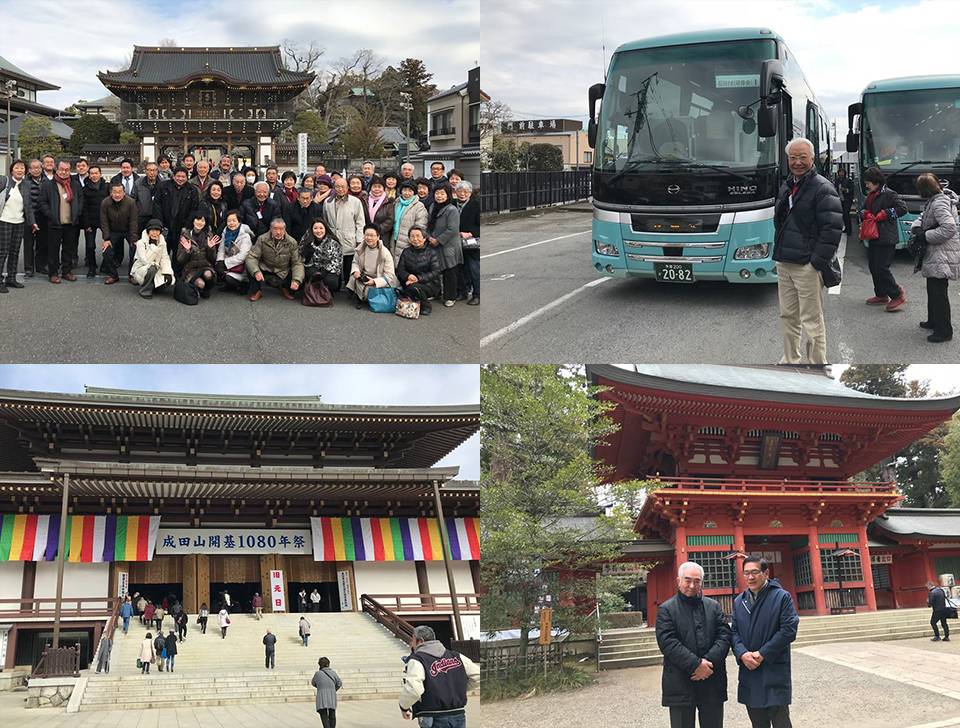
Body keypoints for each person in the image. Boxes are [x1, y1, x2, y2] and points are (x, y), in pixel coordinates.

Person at [772, 138, 842, 365]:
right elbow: (781, 221)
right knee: (787, 316)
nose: (797, 162)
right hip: (784, 262)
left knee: (811, 320)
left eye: (803, 157)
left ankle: (817, 364)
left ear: (812, 159)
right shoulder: (787, 185)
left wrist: (815, 263)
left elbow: (832, 230)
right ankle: (790, 360)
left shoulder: (822, 187)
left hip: (806, 266)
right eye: (793, 157)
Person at [656, 562, 731, 728]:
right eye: (687, 580)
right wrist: (695, 665)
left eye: (697, 581)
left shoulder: (713, 606)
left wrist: (707, 664)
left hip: (712, 678)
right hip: (680, 681)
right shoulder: (666, 609)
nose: (692, 585)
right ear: (678, 580)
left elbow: (725, 636)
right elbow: (667, 642)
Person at [731, 555, 799, 728]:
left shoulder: (781, 597)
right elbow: (734, 632)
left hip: (773, 667)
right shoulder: (739, 601)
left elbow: (788, 630)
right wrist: (742, 654)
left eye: (755, 572)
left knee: (780, 720)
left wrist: (762, 654)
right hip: (749, 668)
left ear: (766, 573)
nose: (750, 577)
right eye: (746, 573)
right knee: (757, 721)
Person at [399, 624, 480, 728]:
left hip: (433, 716)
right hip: (458, 714)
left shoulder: (417, 660)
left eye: (413, 639)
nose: (411, 643)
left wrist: (403, 706)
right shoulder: (456, 656)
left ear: (421, 641)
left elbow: (414, 689)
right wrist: (456, 690)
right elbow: (477, 675)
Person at [912, 173, 960, 343]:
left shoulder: (938, 202)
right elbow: (923, 217)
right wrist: (917, 227)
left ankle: (944, 330)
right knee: (934, 290)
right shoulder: (937, 199)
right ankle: (934, 320)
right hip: (939, 252)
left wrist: (925, 236)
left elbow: (949, 228)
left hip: (941, 253)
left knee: (938, 293)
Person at [859, 167, 908, 311]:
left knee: (882, 268)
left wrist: (885, 214)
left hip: (886, 237)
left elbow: (902, 209)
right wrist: (865, 214)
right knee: (873, 267)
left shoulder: (890, 194)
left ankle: (897, 295)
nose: (867, 185)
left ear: (877, 181)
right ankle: (881, 294)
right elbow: (861, 209)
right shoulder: (870, 195)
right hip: (873, 236)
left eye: (868, 182)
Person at [38, 158, 85, 283]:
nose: (64, 172)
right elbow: (42, 202)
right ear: (57, 170)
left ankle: (66, 271)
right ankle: (53, 273)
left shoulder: (74, 183)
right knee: (53, 249)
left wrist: (78, 211)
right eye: (61, 169)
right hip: (55, 223)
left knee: (69, 248)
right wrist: (51, 214)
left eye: (67, 170)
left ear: (70, 170)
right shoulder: (48, 184)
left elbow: (80, 199)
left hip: (71, 222)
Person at [246, 218, 305, 302]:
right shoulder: (262, 239)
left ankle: (285, 288)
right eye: (275, 229)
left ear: (285, 229)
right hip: (266, 266)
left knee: (297, 273)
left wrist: (297, 280)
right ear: (270, 229)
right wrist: (256, 271)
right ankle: (257, 291)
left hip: (283, 269)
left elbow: (297, 263)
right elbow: (252, 257)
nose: (278, 232)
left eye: (281, 229)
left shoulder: (292, 242)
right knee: (250, 266)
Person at [324, 177, 366, 288]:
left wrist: (359, 239)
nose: (340, 189)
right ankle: (335, 287)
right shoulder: (327, 202)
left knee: (349, 265)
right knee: (334, 264)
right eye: (337, 186)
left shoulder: (355, 202)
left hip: (349, 238)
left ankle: (350, 288)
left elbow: (360, 223)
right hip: (333, 239)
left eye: (343, 186)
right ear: (334, 187)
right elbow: (325, 222)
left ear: (347, 188)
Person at [0, 160, 35, 292]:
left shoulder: (26, 184)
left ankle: (11, 278)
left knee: (14, 252)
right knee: (2, 252)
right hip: (4, 221)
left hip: (19, 222)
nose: (20, 170)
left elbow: (29, 206)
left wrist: (32, 222)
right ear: (12, 170)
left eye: (22, 168)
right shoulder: (5, 181)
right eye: (17, 168)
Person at [347, 224, 399, 308]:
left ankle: (363, 296)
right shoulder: (360, 249)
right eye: (366, 235)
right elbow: (355, 262)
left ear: (378, 237)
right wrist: (356, 271)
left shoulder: (385, 253)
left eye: (372, 235)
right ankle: (362, 295)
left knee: (368, 292)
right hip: (365, 276)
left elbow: (390, 275)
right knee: (353, 278)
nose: (369, 238)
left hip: (378, 279)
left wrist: (375, 282)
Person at [427, 184, 462, 307]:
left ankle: (450, 297)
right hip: (434, 242)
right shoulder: (432, 206)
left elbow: (452, 229)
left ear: (447, 195)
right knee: (435, 269)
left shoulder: (451, 209)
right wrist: (429, 237)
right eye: (437, 193)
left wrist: (438, 240)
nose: (439, 196)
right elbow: (429, 224)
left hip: (448, 245)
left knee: (449, 271)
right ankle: (436, 292)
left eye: (442, 194)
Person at [157, 166, 200, 261]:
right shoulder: (163, 187)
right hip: (165, 224)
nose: (180, 179)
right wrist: (160, 222)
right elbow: (157, 205)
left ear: (186, 177)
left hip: (182, 225)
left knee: (179, 251)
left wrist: (187, 225)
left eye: (183, 176)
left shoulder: (192, 190)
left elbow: (194, 209)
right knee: (163, 251)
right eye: (178, 176)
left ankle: (177, 273)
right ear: (173, 176)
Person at [99, 181, 138, 284]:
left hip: (128, 230)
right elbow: (104, 221)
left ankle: (132, 275)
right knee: (107, 252)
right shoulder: (105, 203)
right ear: (111, 193)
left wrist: (134, 239)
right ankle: (113, 275)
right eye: (115, 192)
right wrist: (106, 239)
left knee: (135, 250)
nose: (117, 194)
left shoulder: (131, 202)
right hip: (113, 231)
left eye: (119, 192)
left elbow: (133, 221)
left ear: (124, 193)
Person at [397, 227, 441, 315]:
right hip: (409, 282)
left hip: (430, 284)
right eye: (412, 236)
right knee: (411, 286)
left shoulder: (431, 252)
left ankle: (426, 306)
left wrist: (418, 278)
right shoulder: (406, 252)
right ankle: (414, 300)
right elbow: (400, 269)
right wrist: (408, 276)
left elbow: (436, 271)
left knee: (414, 287)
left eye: (418, 236)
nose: (415, 239)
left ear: (424, 238)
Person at [177, 211, 219, 300]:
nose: (200, 222)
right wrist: (187, 250)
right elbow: (180, 260)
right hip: (190, 269)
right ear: (193, 221)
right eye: (198, 219)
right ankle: (199, 288)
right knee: (201, 284)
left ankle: (207, 289)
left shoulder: (209, 236)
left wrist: (210, 249)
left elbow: (213, 259)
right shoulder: (185, 236)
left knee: (208, 274)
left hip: (205, 267)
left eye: (203, 221)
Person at [78, 165, 109, 278]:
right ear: (89, 175)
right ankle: (92, 267)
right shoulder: (85, 189)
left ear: (100, 174)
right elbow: (84, 208)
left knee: (108, 244)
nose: (94, 175)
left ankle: (105, 265)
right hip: (90, 221)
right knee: (90, 246)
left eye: (96, 173)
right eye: (92, 174)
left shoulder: (106, 187)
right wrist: (86, 224)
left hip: (104, 221)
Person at [131, 219, 174, 299]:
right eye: (152, 230)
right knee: (152, 268)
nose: (155, 233)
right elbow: (145, 261)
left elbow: (165, 258)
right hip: (141, 268)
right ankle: (144, 290)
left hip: (156, 267)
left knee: (169, 279)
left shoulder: (162, 242)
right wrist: (153, 246)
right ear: (148, 231)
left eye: (157, 230)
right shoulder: (141, 243)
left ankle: (155, 288)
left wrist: (167, 272)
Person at [455, 180, 480, 306]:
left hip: (471, 244)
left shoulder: (476, 205)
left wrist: (470, 233)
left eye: (465, 191)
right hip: (456, 242)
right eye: (460, 191)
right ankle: (462, 291)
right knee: (458, 268)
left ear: (470, 193)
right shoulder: (453, 204)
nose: (462, 194)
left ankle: (477, 295)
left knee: (473, 269)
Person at [300, 219, 342, 294]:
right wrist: (308, 254)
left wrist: (324, 272)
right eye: (315, 228)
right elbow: (301, 257)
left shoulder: (333, 242)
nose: (318, 231)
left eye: (321, 228)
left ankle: (327, 293)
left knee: (331, 281)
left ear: (325, 229)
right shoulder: (306, 239)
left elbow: (337, 262)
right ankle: (312, 292)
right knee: (311, 273)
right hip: (313, 266)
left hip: (329, 269)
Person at [216, 211, 254, 294]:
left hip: (242, 267)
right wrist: (219, 261)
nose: (231, 223)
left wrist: (225, 263)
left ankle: (244, 285)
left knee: (228, 278)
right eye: (229, 221)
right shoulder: (225, 232)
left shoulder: (245, 236)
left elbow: (243, 256)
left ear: (239, 221)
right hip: (230, 263)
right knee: (217, 267)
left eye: (234, 220)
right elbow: (221, 250)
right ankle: (230, 285)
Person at [392, 181, 429, 262]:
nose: (407, 193)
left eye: (410, 191)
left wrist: (412, 239)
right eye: (404, 190)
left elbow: (421, 225)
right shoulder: (397, 202)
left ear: (414, 193)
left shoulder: (419, 206)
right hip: (394, 239)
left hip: (408, 242)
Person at [22, 159, 45, 278]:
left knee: (42, 243)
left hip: (43, 216)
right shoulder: (25, 182)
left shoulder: (46, 181)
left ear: (42, 169)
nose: (36, 170)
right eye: (33, 168)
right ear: (29, 170)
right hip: (28, 217)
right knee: (28, 243)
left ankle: (40, 266)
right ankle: (29, 268)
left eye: (38, 167)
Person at [367, 176, 396, 251]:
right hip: (367, 236)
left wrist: (376, 230)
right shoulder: (365, 200)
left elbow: (390, 220)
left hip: (382, 237)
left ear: (383, 188)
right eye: (374, 186)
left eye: (379, 187)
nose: (377, 189)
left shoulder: (389, 202)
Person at [312, 656, 342, 728]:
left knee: (323, 713)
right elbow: (339, 683)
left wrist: (320, 686)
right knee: (332, 713)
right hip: (331, 695)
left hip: (321, 696)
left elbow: (313, 683)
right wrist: (333, 689)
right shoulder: (333, 672)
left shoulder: (318, 674)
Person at [834, 168, 854, 235]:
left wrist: (846, 190)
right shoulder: (837, 181)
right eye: (840, 172)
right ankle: (846, 228)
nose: (841, 174)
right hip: (840, 200)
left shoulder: (848, 181)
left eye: (842, 172)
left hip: (847, 200)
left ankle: (849, 230)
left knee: (846, 214)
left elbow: (852, 190)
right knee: (842, 215)